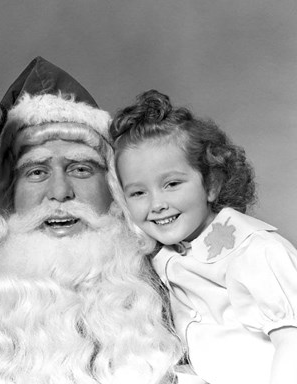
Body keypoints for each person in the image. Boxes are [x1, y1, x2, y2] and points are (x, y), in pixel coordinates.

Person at [0, 57, 182, 384]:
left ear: (113, 189)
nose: (60, 193)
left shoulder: (176, 280)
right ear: (7, 194)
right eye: (36, 171)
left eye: (81, 169)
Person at [110, 89, 297, 384]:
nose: (156, 203)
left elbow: (292, 341)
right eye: (138, 192)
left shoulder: (255, 250)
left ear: (211, 184)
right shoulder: (163, 258)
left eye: (171, 183)